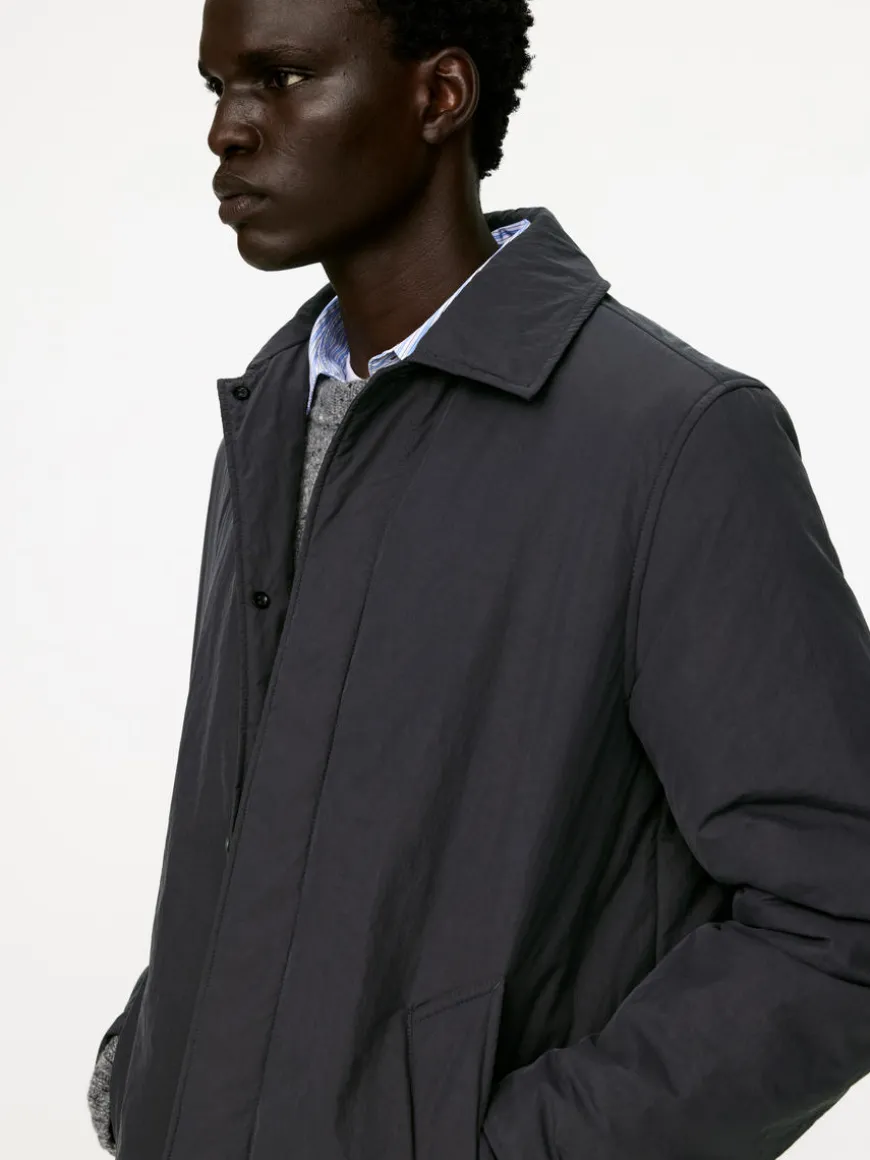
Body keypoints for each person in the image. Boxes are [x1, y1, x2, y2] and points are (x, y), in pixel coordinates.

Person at [87, 0, 870, 1155]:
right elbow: (283, 833)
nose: (227, 129)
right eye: (218, 86)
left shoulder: (670, 440)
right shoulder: (274, 414)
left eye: (281, 77)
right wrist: (146, 1067)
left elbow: (840, 913)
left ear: (440, 96)